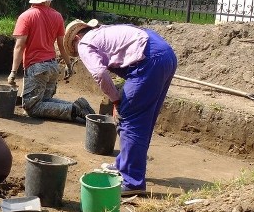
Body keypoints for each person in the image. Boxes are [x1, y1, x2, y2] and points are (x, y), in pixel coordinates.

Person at [63, 19, 177, 196]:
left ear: (77, 37)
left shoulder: (84, 43)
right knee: (144, 118)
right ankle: (124, 164)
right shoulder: (104, 32)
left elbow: (99, 73)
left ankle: (132, 181)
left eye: (74, 47)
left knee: (130, 119)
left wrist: (116, 100)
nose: (78, 52)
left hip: (148, 62)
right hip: (165, 54)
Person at [8, 0, 95, 122]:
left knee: (31, 108)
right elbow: (61, 45)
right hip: (52, 66)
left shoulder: (25, 17)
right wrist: (68, 64)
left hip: (36, 68)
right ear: (48, 0)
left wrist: (13, 72)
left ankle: (73, 110)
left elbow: (19, 46)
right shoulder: (57, 16)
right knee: (46, 100)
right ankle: (78, 105)